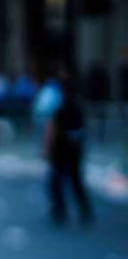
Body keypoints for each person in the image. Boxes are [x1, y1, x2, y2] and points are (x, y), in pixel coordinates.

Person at [44, 75, 94, 225]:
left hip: (61, 150)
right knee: (76, 180)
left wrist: (47, 149)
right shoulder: (78, 107)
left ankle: (60, 209)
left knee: (57, 180)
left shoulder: (60, 108)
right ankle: (84, 209)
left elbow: (52, 130)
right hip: (74, 150)